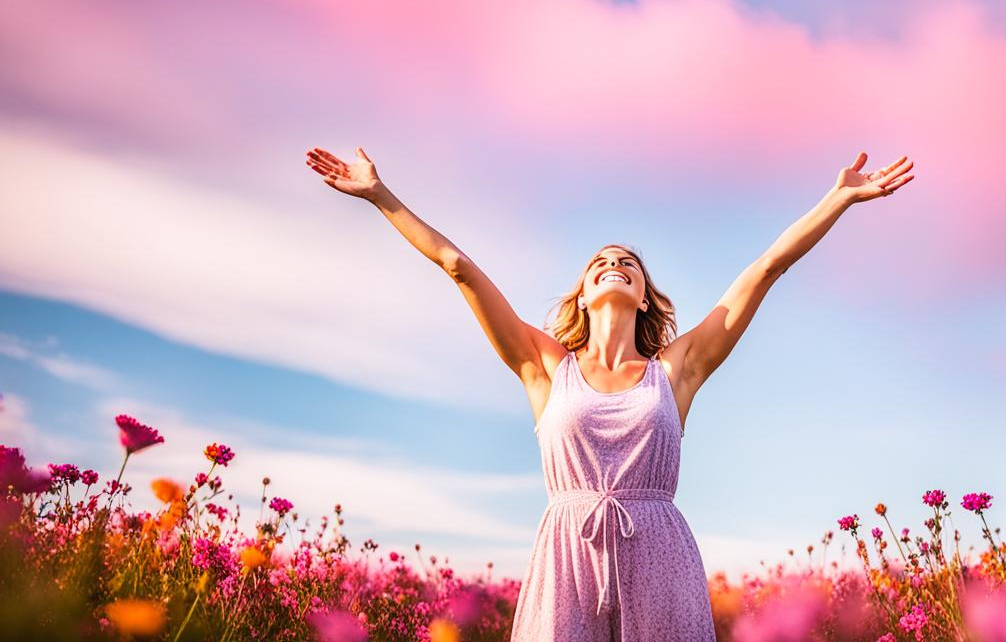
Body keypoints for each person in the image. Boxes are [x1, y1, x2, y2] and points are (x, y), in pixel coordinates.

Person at [305, 146, 915, 640]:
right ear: (583, 293)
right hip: (566, 563)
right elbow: (457, 266)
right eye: (601, 261)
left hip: (659, 559)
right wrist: (381, 196)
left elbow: (765, 269)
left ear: (644, 294)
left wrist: (837, 200)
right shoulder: (544, 366)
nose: (614, 263)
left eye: (628, 261)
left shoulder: (677, 371)